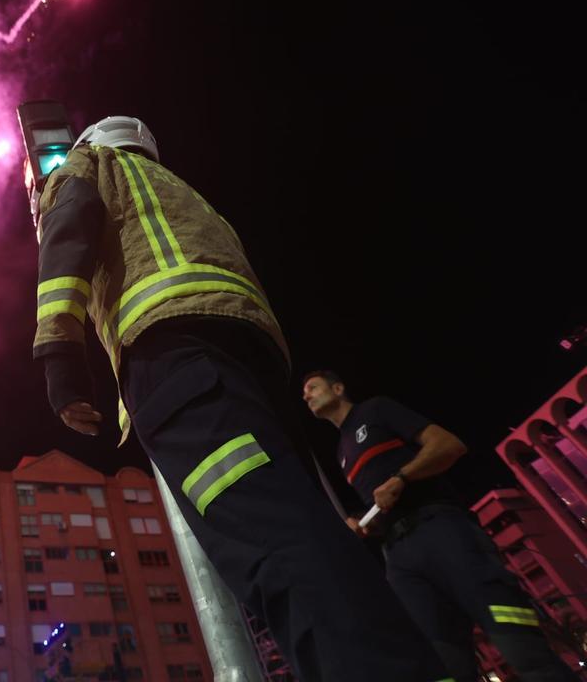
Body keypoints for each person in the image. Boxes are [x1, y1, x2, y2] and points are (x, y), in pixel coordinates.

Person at [28, 114, 450, 681]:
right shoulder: (184, 195)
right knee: (308, 529)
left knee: (268, 545)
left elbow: (66, 237)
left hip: (175, 365)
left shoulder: (93, 164)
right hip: (248, 362)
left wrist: (59, 352)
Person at [303, 369, 578, 681]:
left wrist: (402, 477)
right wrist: (362, 524)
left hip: (441, 529)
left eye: (312, 387)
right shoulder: (341, 452)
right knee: (440, 665)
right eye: (304, 392)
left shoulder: (376, 409)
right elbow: (382, 503)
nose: (306, 395)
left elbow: (449, 445)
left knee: (518, 641)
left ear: (338, 388)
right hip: (398, 556)